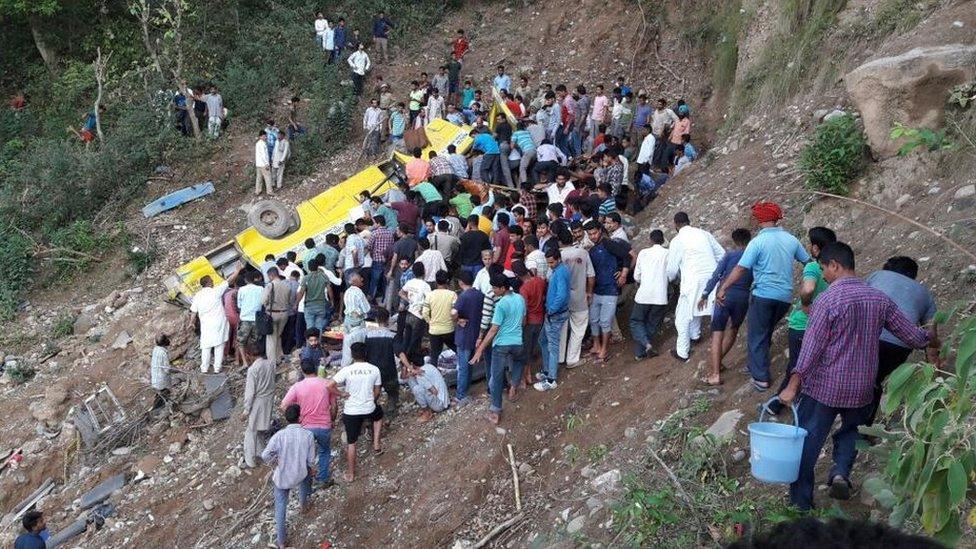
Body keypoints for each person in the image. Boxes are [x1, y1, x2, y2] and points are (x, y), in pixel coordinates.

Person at [777, 242, 940, 511]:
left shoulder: (827, 300)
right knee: (852, 432)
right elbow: (912, 336)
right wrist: (932, 338)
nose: (824, 276)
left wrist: (793, 384)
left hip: (825, 387)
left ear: (835, 266)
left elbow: (811, 348)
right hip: (862, 386)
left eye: (823, 269)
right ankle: (840, 472)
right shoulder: (879, 299)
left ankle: (801, 503)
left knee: (808, 442)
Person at [718, 202, 811, 391]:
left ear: (760, 219)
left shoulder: (758, 242)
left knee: (756, 334)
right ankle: (754, 365)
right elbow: (807, 261)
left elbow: (741, 268)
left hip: (763, 295)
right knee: (765, 330)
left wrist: (724, 287)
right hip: (784, 297)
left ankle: (761, 378)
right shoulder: (791, 240)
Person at [767, 227, 836, 412]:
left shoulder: (813, 267)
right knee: (801, 366)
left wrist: (806, 305)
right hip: (820, 326)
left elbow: (808, 288)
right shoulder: (835, 270)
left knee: (797, 366)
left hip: (802, 325)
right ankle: (784, 403)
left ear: (815, 248)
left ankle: (778, 404)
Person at [865, 256, 937, 422]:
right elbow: (931, 332)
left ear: (887, 267)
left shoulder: (877, 276)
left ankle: (854, 424)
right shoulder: (924, 293)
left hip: (868, 337)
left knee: (864, 378)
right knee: (874, 379)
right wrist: (933, 362)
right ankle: (864, 429)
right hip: (899, 346)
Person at [695, 228, 753, 386]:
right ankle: (718, 362)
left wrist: (705, 295)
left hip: (724, 295)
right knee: (733, 330)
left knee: (717, 334)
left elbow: (716, 275)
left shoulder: (730, 255)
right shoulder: (754, 256)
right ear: (750, 239)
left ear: (734, 241)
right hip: (742, 297)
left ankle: (715, 374)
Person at [666, 212, 724, 362]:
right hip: (711, 279)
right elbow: (721, 254)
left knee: (682, 317)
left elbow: (671, 271)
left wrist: (672, 278)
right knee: (704, 307)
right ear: (689, 221)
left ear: (675, 225)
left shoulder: (677, 241)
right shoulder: (704, 234)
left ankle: (682, 352)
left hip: (692, 281)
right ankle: (696, 335)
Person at [471, 273, 526, 424]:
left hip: (501, 345)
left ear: (502, 288)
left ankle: (495, 411)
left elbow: (494, 329)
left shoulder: (501, 304)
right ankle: (514, 387)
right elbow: (523, 321)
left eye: (495, 288)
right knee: (519, 361)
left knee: (496, 377)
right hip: (518, 342)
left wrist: (480, 349)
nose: (493, 291)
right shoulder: (520, 299)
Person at [262, 403, 316, 549]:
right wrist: (310, 468)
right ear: (300, 417)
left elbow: (265, 455)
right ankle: (303, 505)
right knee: (307, 477)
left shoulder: (279, 436)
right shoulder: (308, 435)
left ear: (286, 418)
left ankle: (281, 542)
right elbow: (310, 460)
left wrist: (275, 462)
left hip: (283, 477)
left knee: (280, 507)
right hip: (300, 473)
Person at [328, 342, 384, 482]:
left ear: (352, 355)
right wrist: (372, 399)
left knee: (351, 443)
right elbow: (377, 391)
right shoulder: (374, 369)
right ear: (365, 354)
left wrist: (341, 394)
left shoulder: (347, 370)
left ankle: (351, 474)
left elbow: (329, 386)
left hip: (351, 411)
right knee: (379, 415)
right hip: (369, 408)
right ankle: (376, 444)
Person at [281, 357, 337, 488]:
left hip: (305, 426)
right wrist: (332, 420)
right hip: (324, 425)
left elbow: (284, 405)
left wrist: (297, 416)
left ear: (302, 371)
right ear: (316, 368)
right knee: (324, 451)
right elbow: (334, 406)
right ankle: (323, 479)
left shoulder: (297, 387)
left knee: (305, 454)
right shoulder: (327, 383)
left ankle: (305, 483)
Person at [586, 220, 631, 362]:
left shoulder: (608, 243)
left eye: (594, 233)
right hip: (597, 290)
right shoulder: (592, 250)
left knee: (605, 321)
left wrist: (623, 274)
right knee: (594, 320)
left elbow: (627, 255)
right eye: (590, 234)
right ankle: (596, 346)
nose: (592, 236)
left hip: (610, 289)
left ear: (600, 231)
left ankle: (604, 350)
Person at [189, 266, 240, 374]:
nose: (213, 282)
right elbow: (229, 281)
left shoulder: (197, 296)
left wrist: (191, 322)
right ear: (209, 283)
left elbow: (193, 312)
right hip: (218, 323)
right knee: (219, 345)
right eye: (211, 281)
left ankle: (204, 368)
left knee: (206, 346)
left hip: (206, 325)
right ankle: (217, 368)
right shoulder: (215, 291)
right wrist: (237, 271)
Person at [559, 227, 595, 369]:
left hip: (563, 300)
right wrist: (589, 292)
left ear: (560, 241)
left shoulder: (558, 257)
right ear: (572, 238)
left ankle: (559, 357)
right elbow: (591, 275)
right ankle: (572, 359)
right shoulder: (583, 253)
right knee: (578, 329)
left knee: (561, 329)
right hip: (580, 297)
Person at [630, 229, 668, 361]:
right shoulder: (667, 253)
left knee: (636, 321)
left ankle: (645, 346)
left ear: (650, 240)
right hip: (661, 296)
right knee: (652, 324)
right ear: (663, 240)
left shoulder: (643, 253)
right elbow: (672, 273)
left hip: (644, 295)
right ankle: (640, 352)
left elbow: (636, 276)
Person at [535, 247, 570, 391]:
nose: (550, 265)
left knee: (553, 346)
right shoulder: (558, 270)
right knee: (543, 339)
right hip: (552, 313)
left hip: (555, 314)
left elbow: (561, 295)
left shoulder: (560, 272)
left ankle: (551, 379)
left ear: (558, 259)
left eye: (552, 262)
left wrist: (551, 310)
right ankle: (547, 369)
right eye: (548, 263)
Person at [452, 271, 484, 405]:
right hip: (476, 334)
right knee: (470, 364)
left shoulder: (463, 296)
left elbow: (453, 313)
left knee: (463, 366)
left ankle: (460, 395)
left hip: (464, 335)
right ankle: (466, 390)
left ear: (461, 282)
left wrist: (457, 320)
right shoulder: (480, 295)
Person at [242, 342, 275, 469]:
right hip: (268, 399)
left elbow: (250, 392)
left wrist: (246, 410)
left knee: (251, 432)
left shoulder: (253, 370)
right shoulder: (270, 364)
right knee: (261, 430)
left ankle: (250, 461)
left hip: (258, 402)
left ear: (249, 355)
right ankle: (262, 453)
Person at [515, 261, 545, 387]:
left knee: (525, 350)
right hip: (540, 318)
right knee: (533, 347)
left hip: (529, 321)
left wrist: (521, 325)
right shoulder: (540, 281)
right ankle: (530, 373)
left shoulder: (524, 289)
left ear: (517, 275)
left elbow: (524, 310)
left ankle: (526, 375)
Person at [402, 350, 450, 421]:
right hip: (444, 401)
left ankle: (426, 412)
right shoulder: (428, 366)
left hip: (440, 405)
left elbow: (434, 392)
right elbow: (404, 377)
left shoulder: (420, 373)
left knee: (417, 389)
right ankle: (426, 408)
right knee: (411, 379)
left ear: (412, 365)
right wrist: (406, 367)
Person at [424, 270, 458, 360]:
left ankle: (433, 371)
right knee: (457, 349)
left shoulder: (430, 295)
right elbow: (455, 312)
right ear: (447, 281)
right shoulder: (452, 295)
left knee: (434, 355)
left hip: (434, 330)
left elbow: (424, 313)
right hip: (448, 329)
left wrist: (430, 322)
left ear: (436, 281)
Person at [263, 268, 294, 364]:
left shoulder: (270, 285)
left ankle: (272, 362)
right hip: (284, 314)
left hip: (272, 314)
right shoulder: (287, 286)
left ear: (271, 275)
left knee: (271, 338)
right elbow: (289, 301)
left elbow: (264, 301)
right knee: (278, 336)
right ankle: (278, 357)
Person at [341, 273, 370, 366]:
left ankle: (345, 366)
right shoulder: (359, 292)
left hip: (347, 321)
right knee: (357, 346)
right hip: (357, 324)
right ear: (355, 281)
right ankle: (356, 365)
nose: (362, 279)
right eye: (360, 278)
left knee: (347, 347)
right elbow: (367, 309)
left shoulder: (347, 291)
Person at [150, 333, 172, 409]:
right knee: (165, 395)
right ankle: (163, 408)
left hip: (155, 379)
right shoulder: (164, 353)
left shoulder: (155, 349)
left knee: (160, 395)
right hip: (162, 381)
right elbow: (167, 369)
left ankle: (156, 407)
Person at [254, 131, 274, 195]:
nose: (266, 137)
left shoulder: (257, 143)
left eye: (266, 136)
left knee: (259, 178)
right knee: (268, 177)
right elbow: (263, 155)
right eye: (265, 136)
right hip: (263, 164)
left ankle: (257, 191)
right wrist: (266, 164)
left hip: (258, 164)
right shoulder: (263, 144)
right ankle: (269, 191)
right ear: (261, 136)